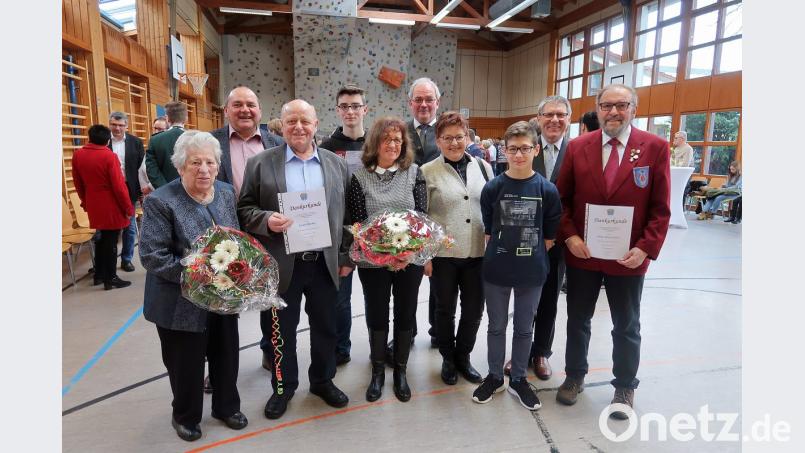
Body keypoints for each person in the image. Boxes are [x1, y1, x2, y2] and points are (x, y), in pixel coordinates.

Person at [555, 83, 671, 420]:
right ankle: (574, 376)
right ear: (598, 109)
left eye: (621, 105)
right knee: (578, 319)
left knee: (626, 324)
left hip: (629, 258)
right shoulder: (578, 147)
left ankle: (624, 386)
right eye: (607, 106)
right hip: (584, 254)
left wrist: (645, 248)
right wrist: (570, 237)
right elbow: (561, 201)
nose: (614, 112)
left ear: (634, 109)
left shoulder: (654, 147)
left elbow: (660, 208)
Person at [238, 99, 351, 420]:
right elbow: (244, 209)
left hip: (325, 263)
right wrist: (266, 220)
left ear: (316, 125)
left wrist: (345, 256)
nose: (298, 127)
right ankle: (282, 387)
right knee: (280, 332)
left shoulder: (336, 165)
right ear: (282, 126)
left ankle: (322, 380)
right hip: (281, 264)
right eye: (291, 122)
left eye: (305, 121)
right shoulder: (260, 164)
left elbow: (347, 216)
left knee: (326, 327)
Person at [139, 130, 247, 442]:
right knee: (185, 363)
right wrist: (202, 275)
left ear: (218, 166)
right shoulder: (161, 201)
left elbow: (235, 238)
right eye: (195, 162)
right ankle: (185, 416)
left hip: (222, 297)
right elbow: (153, 256)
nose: (204, 169)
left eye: (210, 162)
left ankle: (226, 407)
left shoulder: (225, 192)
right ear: (180, 166)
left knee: (226, 354)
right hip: (179, 301)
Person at [473, 121, 561, 411]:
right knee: (496, 326)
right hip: (497, 269)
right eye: (513, 149)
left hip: (532, 271)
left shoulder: (547, 190)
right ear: (505, 151)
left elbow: (549, 237)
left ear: (535, 150)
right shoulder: (493, 188)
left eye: (524, 148)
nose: (519, 154)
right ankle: (495, 376)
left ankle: (519, 379)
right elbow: (489, 230)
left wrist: (528, 253)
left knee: (524, 328)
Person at [345, 116, 428, 403]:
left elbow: (421, 220)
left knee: (405, 313)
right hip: (373, 264)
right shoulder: (359, 178)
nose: (393, 144)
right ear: (375, 143)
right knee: (377, 313)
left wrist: (406, 254)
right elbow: (358, 224)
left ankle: (401, 371)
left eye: (397, 140)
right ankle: (378, 371)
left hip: (409, 260)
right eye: (386, 139)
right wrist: (381, 255)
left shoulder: (414, 173)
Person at [421, 111, 491, 386]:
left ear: (467, 137)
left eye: (459, 137)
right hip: (444, 255)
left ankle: (464, 356)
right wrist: (425, 256)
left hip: (478, 253)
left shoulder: (483, 167)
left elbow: (491, 206)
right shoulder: (427, 171)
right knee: (444, 310)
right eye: (447, 138)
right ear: (438, 141)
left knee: (474, 310)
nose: (454, 143)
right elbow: (422, 218)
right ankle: (448, 359)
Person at [505, 96, 571, 381]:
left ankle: (541, 352)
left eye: (560, 115)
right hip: (524, 239)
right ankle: (519, 352)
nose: (554, 120)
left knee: (549, 300)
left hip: (558, 241)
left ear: (569, 118)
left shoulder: (577, 151)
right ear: (539, 117)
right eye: (549, 114)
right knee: (523, 300)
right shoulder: (526, 148)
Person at [320, 84, 369, 366]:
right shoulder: (326, 147)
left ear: (365, 109)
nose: (351, 111)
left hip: (374, 230)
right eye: (345, 106)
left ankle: (383, 347)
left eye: (355, 106)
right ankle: (341, 348)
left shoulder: (375, 144)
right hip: (341, 235)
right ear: (338, 110)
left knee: (377, 296)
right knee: (340, 298)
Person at [403, 77, 442, 351]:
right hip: (407, 218)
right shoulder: (400, 131)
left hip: (441, 213)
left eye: (429, 99)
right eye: (418, 99)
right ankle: (407, 332)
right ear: (410, 103)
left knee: (441, 282)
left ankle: (438, 331)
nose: (424, 104)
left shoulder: (448, 130)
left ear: (437, 102)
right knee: (408, 282)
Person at [73, 125, 134, 290]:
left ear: (89, 137)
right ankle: (111, 278)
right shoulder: (109, 156)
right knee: (111, 242)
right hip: (111, 204)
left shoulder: (78, 154)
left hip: (93, 202)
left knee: (100, 240)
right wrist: (128, 208)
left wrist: (85, 202)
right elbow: (119, 187)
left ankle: (99, 274)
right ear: (108, 141)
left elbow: (78, 183)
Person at [211, 86, 284, 199]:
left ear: (260, 111)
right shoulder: (210, 142)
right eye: (237, 105)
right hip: (226, 210)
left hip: (269, 210)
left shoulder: (279, 144)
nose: (245, 110)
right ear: (226, 111)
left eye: (251, 105)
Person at [108, 112, 144, 273]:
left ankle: (126, 259)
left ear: (126, 126)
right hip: (108, 191)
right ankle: (107, 261)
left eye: (121, 125)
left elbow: (142, 168)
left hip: (129, 189)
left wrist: (142, 190)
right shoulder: (104, 141)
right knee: (108, 228)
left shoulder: (135, 142)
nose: (117, 128)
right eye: (114, 125)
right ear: (109, 124)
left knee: (129, 226)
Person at [146, 101, 188, 188]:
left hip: (165, 190)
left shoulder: (155, 140)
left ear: (167, 118)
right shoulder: (197, 139)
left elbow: (152, 170)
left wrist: (165, 189)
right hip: (192, 190)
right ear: (186, 119)